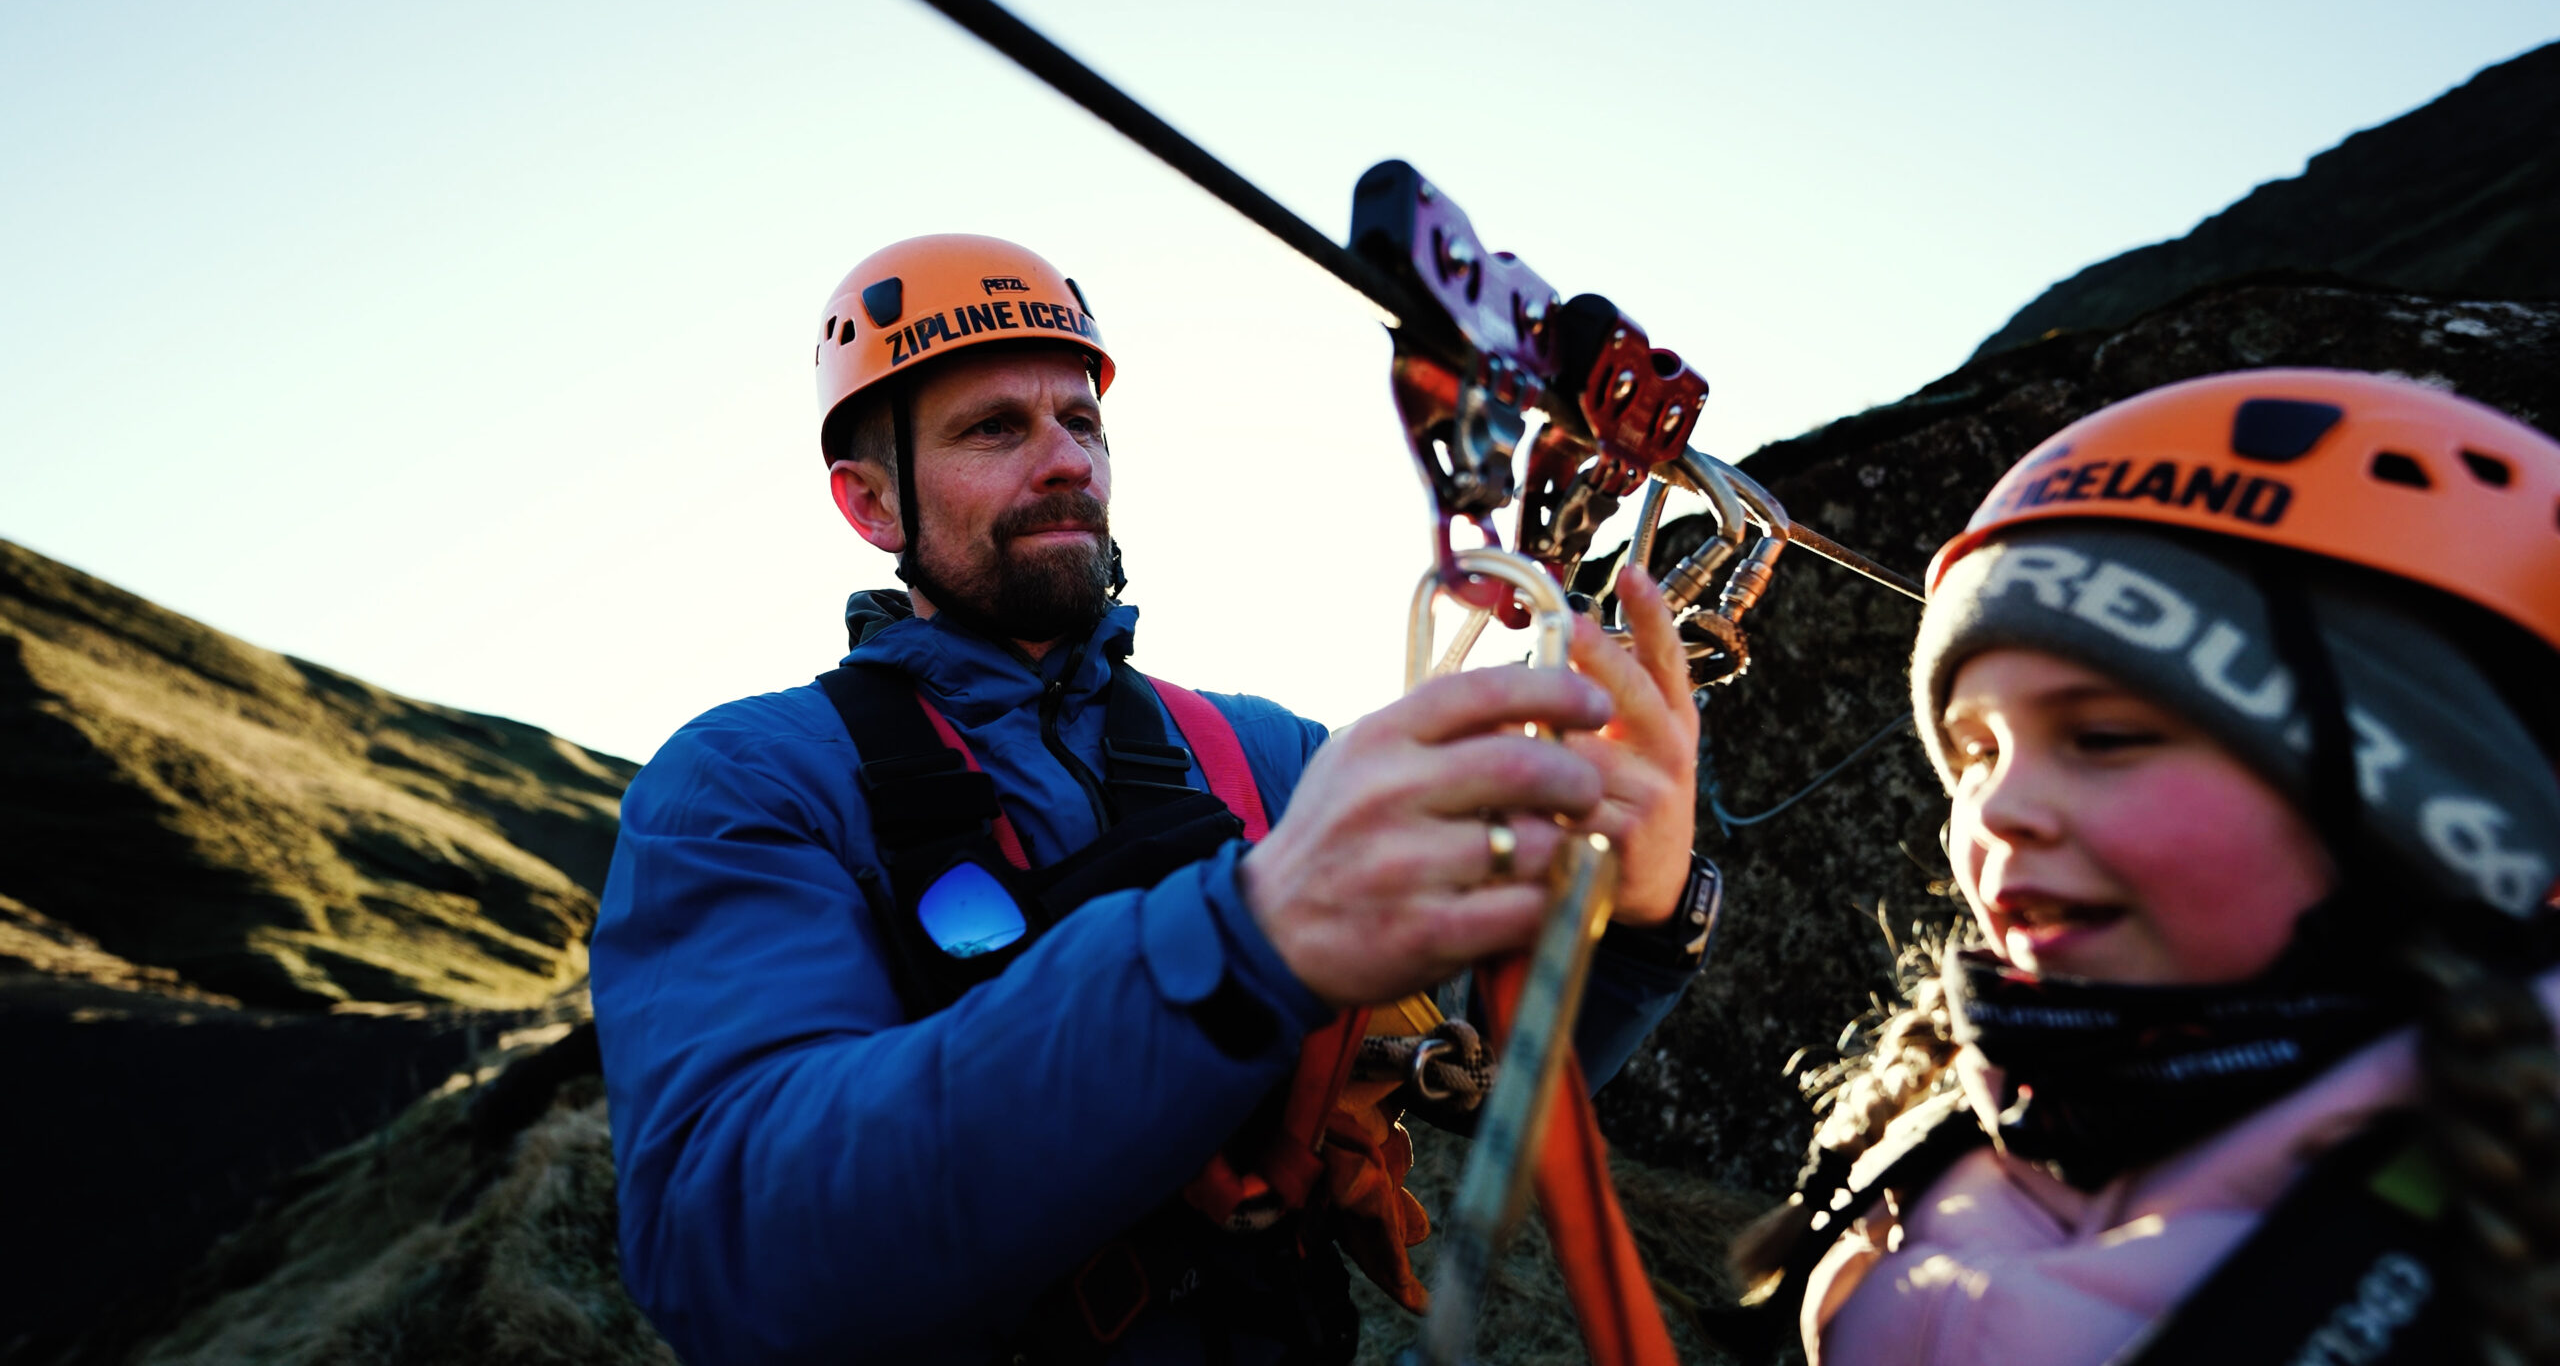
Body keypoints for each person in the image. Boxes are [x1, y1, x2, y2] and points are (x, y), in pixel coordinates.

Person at [589, 235, 1723, 1366]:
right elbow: (734, 1243)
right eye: (995, 428)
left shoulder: (1257, 752)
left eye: (1081, 424)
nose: (1065, 460)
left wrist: (1630, 918)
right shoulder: (748, 781)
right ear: (871, 504)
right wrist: (1235, 945)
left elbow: (1474, 1053)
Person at [1728, 367, 2560, 1365]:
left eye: (2108, 736)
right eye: (1975, 752)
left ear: (2429, 808)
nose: (1996, 808)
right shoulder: (1957, 1121)